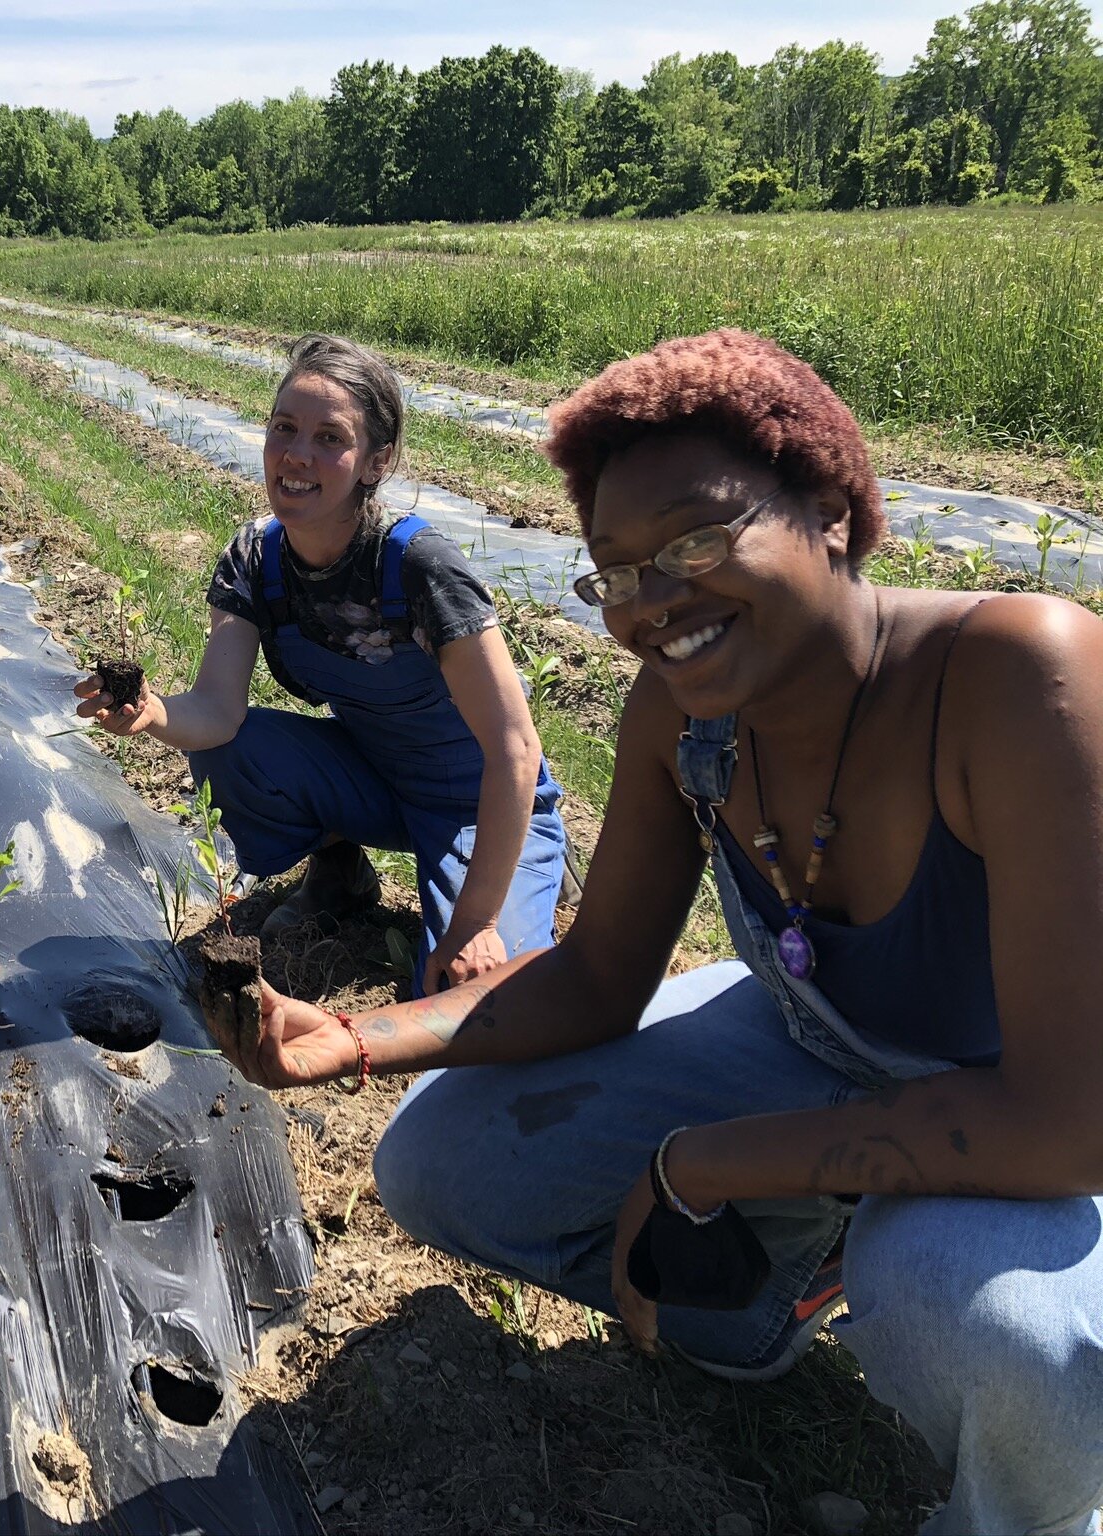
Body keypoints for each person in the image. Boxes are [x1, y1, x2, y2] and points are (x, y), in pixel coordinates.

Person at [208, 328, 1103, 1534]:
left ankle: (1024, 1511)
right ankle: (774, 1294)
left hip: (1039, 1117)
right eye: (615, 572)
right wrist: (357, 1041)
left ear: (831, 510)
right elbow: (593, 977)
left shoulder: (1011, 676)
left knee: (990, 1329)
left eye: (692, 540)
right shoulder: (681, 720)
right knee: (437, 1164)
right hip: (817, 1049)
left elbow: (1067, 1125)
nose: (651, 603)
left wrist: (700, 1167)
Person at [77, 333, 565, 996]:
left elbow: (514, 748)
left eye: (330, 437)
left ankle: (523, 867)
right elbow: (218, 712)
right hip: (375, 774)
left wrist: (475, 922)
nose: (297, 455)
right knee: (236, 751)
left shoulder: (419, 567)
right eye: (284, 428)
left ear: (376, 461)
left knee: (472, 994)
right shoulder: (255, 558)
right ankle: (340, 871)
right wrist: (153, 712)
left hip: (476, 801)